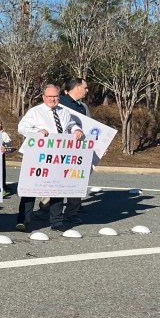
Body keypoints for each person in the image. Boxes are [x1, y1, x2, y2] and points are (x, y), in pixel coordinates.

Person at [15, 84, 85, 232]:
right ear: (43, 97)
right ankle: (23, 220)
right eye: (50, 96)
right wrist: (37, 131)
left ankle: (56, 221)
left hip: (58, 156)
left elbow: (71, 125)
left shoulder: (64, 111)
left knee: (57, 188)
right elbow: (21, 127)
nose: (53, 99)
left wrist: (77, 130)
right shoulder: (35, 112)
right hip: (37, 156)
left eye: (55, 96)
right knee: (30, 189)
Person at [57, 77, 91, 216]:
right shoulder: (60, 102)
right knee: (56, 179)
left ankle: (72, 211)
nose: (87, 90)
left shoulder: (82, 107)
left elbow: (88, 127)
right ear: (77, 87)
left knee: (76, 179)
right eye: (85, 88)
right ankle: (46, 208)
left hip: (77, 150)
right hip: (59, 149)